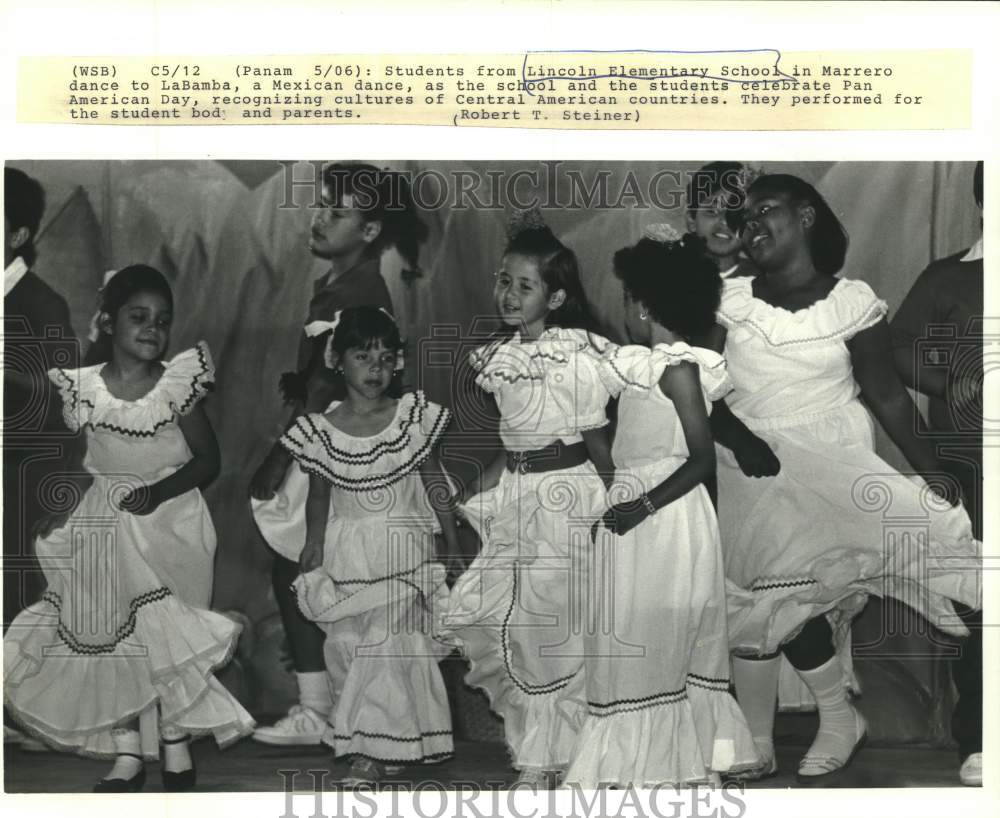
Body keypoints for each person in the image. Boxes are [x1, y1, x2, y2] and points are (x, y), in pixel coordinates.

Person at [709, 174, 981, 784]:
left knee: (808, 591)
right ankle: (776, 733)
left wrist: (934, 472)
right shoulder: (728, 299)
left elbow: (886, 393)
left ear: (807, 217)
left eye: (766, 211)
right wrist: (738, 437)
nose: (751, 226)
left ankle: (837, 719)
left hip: (831, 464)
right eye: (744, 218)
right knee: (761, 603)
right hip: (752, 465)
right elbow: (694, 379)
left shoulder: (852, 302)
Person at [3, 265, 255, 791]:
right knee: (108, 633)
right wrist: (68, 500)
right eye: (138, 317)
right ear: (108, 321)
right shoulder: (83, 387)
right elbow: (79, 455)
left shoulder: (175, 386)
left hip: (169, 521)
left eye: (162, 321)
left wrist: (158, 493)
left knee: (162, 634)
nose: (152, 329)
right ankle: (126, 755)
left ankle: (174, 740)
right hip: (104, 519)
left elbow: (208, 460)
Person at [564, 226, 760, 788]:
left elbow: (701, 460)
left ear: (645, 305)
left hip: (668, 518)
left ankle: (687, 765)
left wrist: (642, 505)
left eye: (626, 298)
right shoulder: (633, 370)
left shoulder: (679, 369)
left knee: (663, 634)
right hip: (636, 512)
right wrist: (600, 451)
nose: (623, 310)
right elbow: (619, 445)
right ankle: (641, 766)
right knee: (632, 635)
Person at [249, 163, 427, 746]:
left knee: (311, 566)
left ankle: (326, 709)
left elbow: (325, 387)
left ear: (371, 231)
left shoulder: (358, 292)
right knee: (303, 568)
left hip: (338, 442)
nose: (321, 218)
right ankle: (327, 706)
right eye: (322, 204)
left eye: (339, 211)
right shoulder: (340, 284)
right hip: (331, 436)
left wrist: (280, 456)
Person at [440, 214, 616, 788]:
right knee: (509, 626)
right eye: (503, 280)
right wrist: (474, 486)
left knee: (556, 630)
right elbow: (514, 443)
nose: (509, 294)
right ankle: (538, 754)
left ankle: (568, 757)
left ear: (556, 296)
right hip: (517, 499)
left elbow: (596, 442)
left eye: (525, 285)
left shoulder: (578, 353)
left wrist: (617, 505)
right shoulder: (500, 358)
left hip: (568, 502)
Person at [259, 306, 461, 785]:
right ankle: (380, 738)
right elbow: (320, 494)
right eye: (363, 356)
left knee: (389, 647)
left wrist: (450, 539)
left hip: (402, 549)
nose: (376, 369)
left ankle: (371, 754)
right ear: (338, 361)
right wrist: (314, 545)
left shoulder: (410, 419)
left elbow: (434, 483)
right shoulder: (323, 430)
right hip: (349, 551)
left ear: (398, 365)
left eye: (386, 358)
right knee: (351, 645)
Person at [890, 161, 984, 786]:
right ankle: (979, 736)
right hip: (972, 463)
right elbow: (897, 350)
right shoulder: (951, 275)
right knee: (985, 605)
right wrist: (956, 382)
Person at [3, 166, 79, 751]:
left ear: (18, 236)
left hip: (21, 474)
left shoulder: (41, 303)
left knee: (13, 590)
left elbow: (59, 394)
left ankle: (18, 708)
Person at [685, 161, 757, 280]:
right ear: (692, 220)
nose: (724, 221)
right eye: (712, 211)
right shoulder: (666, 274)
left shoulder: (764, 281)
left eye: (736, 214)